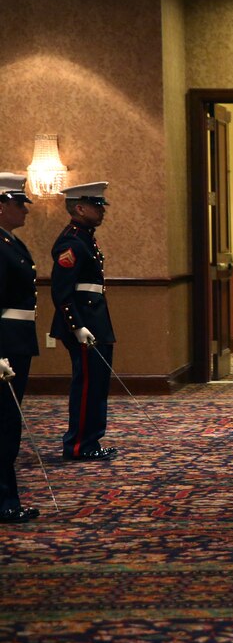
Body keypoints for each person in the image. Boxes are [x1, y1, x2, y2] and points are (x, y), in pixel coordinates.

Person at [52, 181, 117, 461]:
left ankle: (90, 440)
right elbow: (62, 291)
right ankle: (79, 444)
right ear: (79, 207)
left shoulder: (86, 237)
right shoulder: (72, 241)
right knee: (88, 385)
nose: (102, 211)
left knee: (98, 384)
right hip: (84, 323)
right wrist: (76, 326)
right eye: (96, 205)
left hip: (95, 320)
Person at [0, 173, 40, 523]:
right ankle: (4, 501)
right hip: (5, 346)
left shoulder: (12, 243)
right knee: (4, 423)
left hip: (18, 342)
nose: (24, 209)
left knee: (9, 422)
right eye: (17, 203)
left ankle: (8, 498)